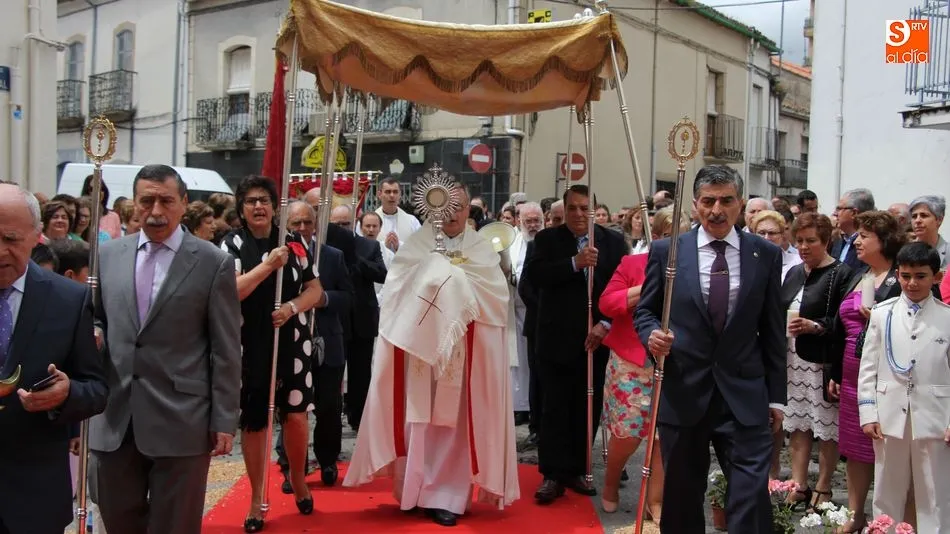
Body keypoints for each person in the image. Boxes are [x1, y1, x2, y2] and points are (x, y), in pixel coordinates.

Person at [343, 182, 519, 527]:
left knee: (453, 428)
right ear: (433, 208)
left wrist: (452, 281)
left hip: (462, 353)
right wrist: (433, 278)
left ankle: (448, 497)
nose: (452, 214)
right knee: (418, 423)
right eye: (446, 206)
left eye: (460, 206)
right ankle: (415, 490)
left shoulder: (482, 250)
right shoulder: (417, 246)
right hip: (420, 356)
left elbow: (496, 300)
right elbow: (395, 291)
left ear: (469, 209)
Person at [89, 164, 242, 534]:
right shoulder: (108, 256)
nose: (156, 211)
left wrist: (223, 418)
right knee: (118, 519)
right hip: (114, 417)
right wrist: (94, 333)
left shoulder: (211, 262)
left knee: (175, 524)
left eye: (166, 201)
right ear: (134, 205)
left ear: (183, 203)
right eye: (147, 201)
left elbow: (225, 346)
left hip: (183, 420)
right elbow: (96, 318)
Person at [635, 165, 786, 533]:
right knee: (683, 494)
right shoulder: (667, 252)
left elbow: (773, 329)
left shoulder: (763, 254)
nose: (717, 210)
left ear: (740, 203)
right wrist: (652, 335)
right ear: (695, 205)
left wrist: (776, 397)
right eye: (708, 201)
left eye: (726, 200)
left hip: (744, 394)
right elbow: (645, 311)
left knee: (750, 494)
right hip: (685, 391)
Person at [0, 184, 108, 534]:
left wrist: (66, 395)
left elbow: (96, 388)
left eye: (10, 239)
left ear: (37, 237)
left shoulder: (69, 300)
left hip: (33, 492)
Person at [222, 180, 324, 531]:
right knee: (255, 421)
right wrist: (268, 265)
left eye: (263, 200)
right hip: (251, 342)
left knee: (295, 416)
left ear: (273, 206)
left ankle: (297, 477)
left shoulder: (294, 243)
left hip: (293, 339)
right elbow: (232, 290)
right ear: (241, 208)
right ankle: (256, 497)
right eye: (250, 201)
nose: (258, 207)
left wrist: (293, 307)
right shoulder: (232, 243)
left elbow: (315, 288)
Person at [525, 184, 627, 504]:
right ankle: (552, 474)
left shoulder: (612, 241)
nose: (579, 214)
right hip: (556, 338)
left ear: (595, 211)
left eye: (586, 209)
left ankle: (578, 468)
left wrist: (606, 324)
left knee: (587, 407)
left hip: (597, 338)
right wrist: (575, 263)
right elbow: (536, 276)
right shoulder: (547, 239)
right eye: (573, 208)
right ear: (564, 209)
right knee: (555, 407)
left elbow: (624, 288)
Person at [597, 207, 685, 518]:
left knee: (664, 438)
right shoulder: (633, 264)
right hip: (631, 362)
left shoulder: (693, 270)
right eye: (670, 238)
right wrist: (644, 288)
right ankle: (610, 482)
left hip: (675, 363)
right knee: (629, 435)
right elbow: (607, 303)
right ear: (656, 237)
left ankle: (654, 500)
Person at [858, 242, 950, 533]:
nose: (912, 283)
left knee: (935, 492)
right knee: (887, 489)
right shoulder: (882, 313)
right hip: (888, 415)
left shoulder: (947, 318)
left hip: (935, 415)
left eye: (921, 276)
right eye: (905, 275)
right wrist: (868, 413)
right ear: (897, 274)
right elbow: (868, 367)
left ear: (937, 277)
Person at [779, 213, 851, 511]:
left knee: (825, 427)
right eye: (799, 241)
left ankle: (823, 486)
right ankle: (798, 484)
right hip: (792, 358)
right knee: (798, 424)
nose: (804, 247)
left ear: (826, 241)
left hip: (821, 361)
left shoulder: (841, 273)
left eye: (811, 241)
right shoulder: (795, 271)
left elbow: (843, 320)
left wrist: (815, 326)